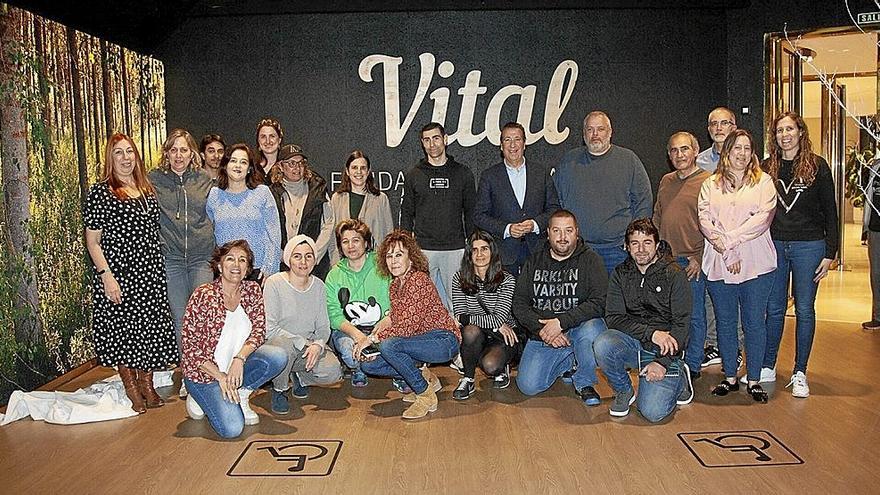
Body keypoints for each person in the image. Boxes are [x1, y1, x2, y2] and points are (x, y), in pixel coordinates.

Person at [84, 133, 177, 414]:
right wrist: (106, 276)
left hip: (149, 272)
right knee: (125, 331)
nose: (125, 158)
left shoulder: (146, 189)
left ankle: (147, 383)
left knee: (148, 329)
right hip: (120, 273)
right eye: (118, 153)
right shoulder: (100, 192)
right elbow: (93, 241)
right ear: (110, 159)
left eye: (129, 152)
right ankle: (131, 387)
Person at [761, 111, 838, 398]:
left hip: (810, 246)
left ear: (800, 132)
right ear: (774, 136)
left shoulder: (818, 166)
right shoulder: (766, 167)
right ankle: (767, 366)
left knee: (805, 308)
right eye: (780, 130)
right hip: (775, 245)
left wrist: (830, 253)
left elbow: (831, 212)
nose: (785, 135)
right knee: (775, 308)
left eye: (790, 129)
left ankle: (800, 371)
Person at [699, 129, 777, 403]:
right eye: (736, 148)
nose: (742, 154)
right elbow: (705, 221)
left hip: (757, 265)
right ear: (726, 151)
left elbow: (762, 220)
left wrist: (729, 242)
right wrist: (725, 250)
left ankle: (754, 378)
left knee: (755, 323)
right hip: (719, 264)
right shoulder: (710, 184)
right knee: (726, 322)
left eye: (747, 148)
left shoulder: (764, 182)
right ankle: (730, 376)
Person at [181, 240, 287, 438]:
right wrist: (220, 377)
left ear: (247, 268)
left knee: (278, 355)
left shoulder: (253, 291)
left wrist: (240, 359)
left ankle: (242, 393)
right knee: (232, 429)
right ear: (220, 266)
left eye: (242, 260)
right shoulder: (202, 295)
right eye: (230, 259)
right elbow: (190, 348)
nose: (236, 265)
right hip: (205, 375)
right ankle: (198, 396)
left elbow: (258, 331)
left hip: (236, 368)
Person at [594, 218, 693, 421]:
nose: (641, 249)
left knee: (652, 412)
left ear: (657, 245)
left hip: (665, 350)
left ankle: (679, 376)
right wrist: (651, 334)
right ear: (626, 247)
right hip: (636, 343)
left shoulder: (674, 275)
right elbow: (613, 318)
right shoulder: (621, 274)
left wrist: (663, 362)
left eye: (647, 242)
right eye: (635, 243)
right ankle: (624, 391)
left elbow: (682, 324)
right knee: (603, 343)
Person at [358, 230, 461, 420]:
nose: (393, 261)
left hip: (444, 340)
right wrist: (386, 320)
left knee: (389, 345)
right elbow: (398, 319)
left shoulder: (419, 280)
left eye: (399, 254)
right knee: (369, 366)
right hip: (419, 342)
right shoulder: (395, 285)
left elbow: (406, 328)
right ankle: (426, 378)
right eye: (389, 256)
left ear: (411, 258)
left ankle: (425, 395)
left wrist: (371, 339)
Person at [513, 209, 608, 405]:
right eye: (557, 231)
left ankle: (584, 382)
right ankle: (570, 360)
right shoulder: (534, 261)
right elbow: (519, 304)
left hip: (578, 328)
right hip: (545, 334)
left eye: (568, 231)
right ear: (548, 233)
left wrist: (561, 322)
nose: (563, 237)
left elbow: (600, 301)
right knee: (527, 386)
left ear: (577, 232)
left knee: (594, 328)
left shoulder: (591, 260)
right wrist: (542, 330)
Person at [150, 129, 216, 398]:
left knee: (202, 317)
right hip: (172, 259)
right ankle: (190, 376)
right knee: (181, 319)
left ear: (192, 154)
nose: (179, 155)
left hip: (202, 257)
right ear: (167, 153)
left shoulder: (204, 180)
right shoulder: (154, 180)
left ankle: (207, 374)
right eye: (173, 150)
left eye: (184, 150)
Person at [553, 111, 652, 274]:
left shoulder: (628, 160)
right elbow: (556, 201)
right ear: (584, 133)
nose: (595, 134)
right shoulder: (569, 161)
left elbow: (643, 202)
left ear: (610, 132)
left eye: (600, 129)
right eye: (590, 130)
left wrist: (634, 240)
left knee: (619, 299)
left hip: (618, 251)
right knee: (582, 300)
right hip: (579, 251)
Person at [400, 122, 476, 309]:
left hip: (455, 248)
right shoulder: (414, 175)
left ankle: (457, 338)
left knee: (458, 305)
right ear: (422, 144)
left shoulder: (463, 173)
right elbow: (407, 212)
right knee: (422, 304)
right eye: (427, 140)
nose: (432, 144)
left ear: (445, 139)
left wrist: (473, 243)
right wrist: (406, 245)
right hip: (423, 249)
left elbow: (471, 211)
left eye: (436, 138)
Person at [264, 235, 343, 414]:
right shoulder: (274, 283)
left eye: (308, 256)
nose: (303, 261)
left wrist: (318, 344)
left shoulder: (319, 287)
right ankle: (279, 389)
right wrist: (305, 342)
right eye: (297, 256)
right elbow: (270, 329)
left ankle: (299, 375)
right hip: (279, 345)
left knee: (332, 371)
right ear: (288, 259)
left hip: (307, 347)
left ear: (315, 260)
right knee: (284, 348)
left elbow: (323, 327)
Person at [653, 132, 711, 380]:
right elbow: (657, 215)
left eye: (685, 149)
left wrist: (700, 257)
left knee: (695, 316)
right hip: (665, 261)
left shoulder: (708, 181)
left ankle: (694, 364)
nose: (680, 155)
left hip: (691, 262)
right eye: (674, 150)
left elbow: (714, 224)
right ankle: (673, 360)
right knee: (668, 316)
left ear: (696, 151)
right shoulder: (666, 181)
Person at [474, 122, 560, 276]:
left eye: (517, 139)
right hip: (504, 255)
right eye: (507, 140)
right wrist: (507, 229)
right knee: (507, 300)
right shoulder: (489, 176)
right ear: (501, 146)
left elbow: (555, 209)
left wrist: (535, 224)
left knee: (536, 299)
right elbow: (479, 216)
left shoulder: (541, 173)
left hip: (537, 252)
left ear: (525, 143)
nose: (512, 145)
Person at [696, 107, 744, 368]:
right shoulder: (700, 161)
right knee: (711, 297)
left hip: (738, 243)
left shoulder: (747, 159)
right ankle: (714, 345)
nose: (718, 128)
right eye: (713, 123)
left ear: (734, 126)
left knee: (735, 295)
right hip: (708, 242)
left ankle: (735, 347)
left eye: (724, 123)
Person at [324, 219, 396, 389]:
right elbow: (334, 316)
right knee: (350, 352)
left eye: (356, 240)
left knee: (394, 346)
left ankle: (398, 372)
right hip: (351, 330)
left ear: (366, 242)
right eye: (345, 241)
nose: (351, 246)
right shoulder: (334, 275)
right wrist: (359, 337)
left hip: (382, 326)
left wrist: (385, 324)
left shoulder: (383, 266)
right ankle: (359, 369)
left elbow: (398, 299)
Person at [451, 230, 521, 400]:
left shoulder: (507, 279)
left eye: (484, 249)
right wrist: (493, 325)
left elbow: (496, 318)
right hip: (480, 334)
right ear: (469, 255)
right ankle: (468, 378)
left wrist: (468, 319)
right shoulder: (459, 278)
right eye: (474, 250)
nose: (479, 254)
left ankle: (502, 366)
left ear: (492, 252)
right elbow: (461, 314)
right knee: (470, 331)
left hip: (505, 336)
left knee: (490, 366)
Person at [207, 144, 282, 283]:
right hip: (226, 271)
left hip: (258, 271)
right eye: (233, 160)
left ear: (249, 169)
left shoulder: (262, 193)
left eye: (243, 162)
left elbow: (274, 235)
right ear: (225, 165)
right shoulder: (214, 195)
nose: (238, 166)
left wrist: (270, 267)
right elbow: (209, 233)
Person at [269, 144, 334, 278]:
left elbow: (328, 224)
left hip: (314, 268)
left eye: (300, 163)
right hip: (282, 266)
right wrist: (283, 256)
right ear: (280, 166)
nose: (297, 168)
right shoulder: (271, 193)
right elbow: (267, 230)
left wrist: (313, 255)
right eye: (291, 163)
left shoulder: (318, 188)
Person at [329, 150, 394, 263]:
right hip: (344, 263)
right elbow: (332, 237)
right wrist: (335, 262)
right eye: (354, 167)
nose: (359, 172)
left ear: (368, 172)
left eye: (363, 168)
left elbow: (388, 234)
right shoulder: (337, 199)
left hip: (374, 263)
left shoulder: (380, 199)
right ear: (347, 171)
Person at [863, 158, 880, 331]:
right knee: (876, 273)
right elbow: (869, 197)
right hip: (876, 227)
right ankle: (877, 316)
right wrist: (866, 226)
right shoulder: (875, 165)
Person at [697, 107, 738, 173]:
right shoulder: (698, 162)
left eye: (724, 123)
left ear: (733, 129)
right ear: (709, 129)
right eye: (714, 124)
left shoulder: (744, 157)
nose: (719, 128)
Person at [255, 117, 283, 183]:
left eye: (272, 136)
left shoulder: (287, 167)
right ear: (258, 141)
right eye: (263, 137)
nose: (268, 141)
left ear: (279, 140)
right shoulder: (252, 167)